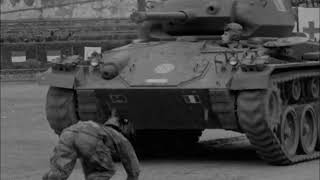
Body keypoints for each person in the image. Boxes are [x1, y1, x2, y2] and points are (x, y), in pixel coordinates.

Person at [42, 109, 140, 180]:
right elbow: (131, 161)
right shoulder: (118, 137)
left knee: (60, 171)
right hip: (88, 137)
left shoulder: (99, 127)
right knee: (102, 171)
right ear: (123, 126)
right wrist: (132, 177)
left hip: (68, 133)